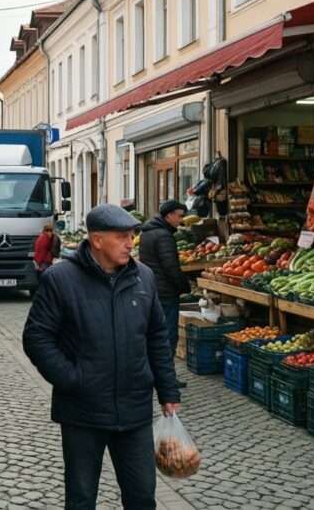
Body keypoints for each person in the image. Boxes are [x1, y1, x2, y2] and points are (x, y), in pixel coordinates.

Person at [22, 204, 181, 510]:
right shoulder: (61, 279)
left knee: (142, 496)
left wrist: (168, 390)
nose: (130, 243)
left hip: (134, 410)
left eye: (131, 236)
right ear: (96, 240)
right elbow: (36, 338)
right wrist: (73, 379)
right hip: (83, 412)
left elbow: (157, 337)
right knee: (81, 499)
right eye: (122, 237)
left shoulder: (143, 278)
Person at [139, 200, 193, 389]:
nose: (181, 219)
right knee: (168, 335)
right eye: (179, 215)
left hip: (152, 289)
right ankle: (166, 378)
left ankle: (153, 373)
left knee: (153, 334)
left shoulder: (147, 232)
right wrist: (184, 286)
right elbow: (171, 268)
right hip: (166, 293)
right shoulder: (164, 236)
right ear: (168, 215)